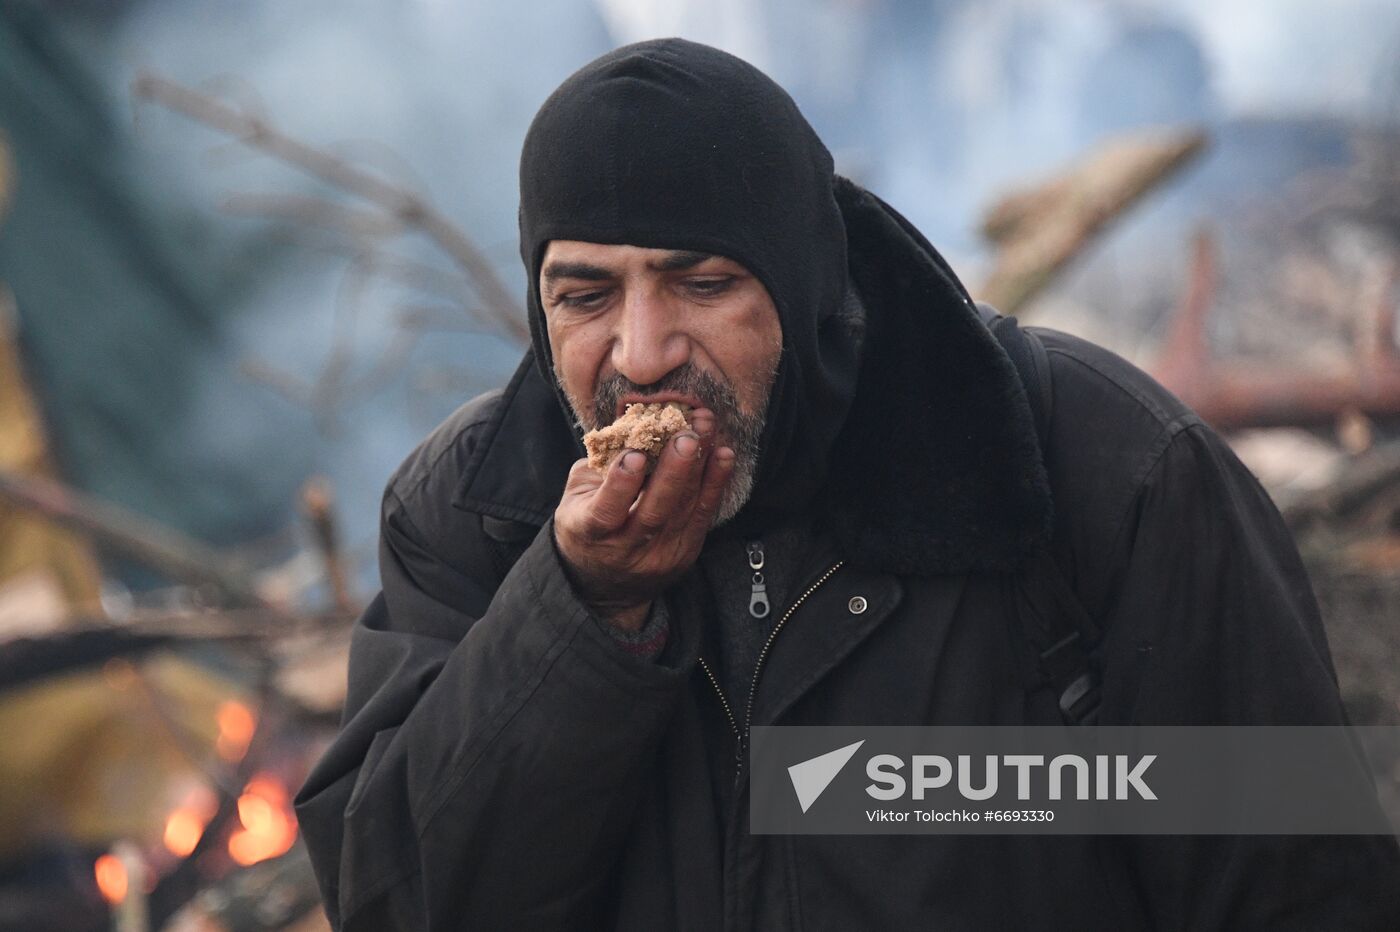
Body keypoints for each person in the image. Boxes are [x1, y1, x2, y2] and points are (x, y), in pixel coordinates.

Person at [294, 38, 1400, 930]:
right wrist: (580, 611)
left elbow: (1297, 879)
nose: (638, 350)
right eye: (584, 295)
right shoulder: (471, 512)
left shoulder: (1090, 466)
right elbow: (402, 902)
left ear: (804, 278)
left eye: (702, 281)